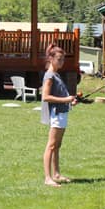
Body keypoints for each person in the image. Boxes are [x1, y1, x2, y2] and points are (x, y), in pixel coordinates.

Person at [41, 45, 78, 187]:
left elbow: (60, 95)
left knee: (57, 145)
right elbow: (45, 97)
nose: (61, 62)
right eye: (59, 59)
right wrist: (66, 100)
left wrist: (70, 101)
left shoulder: (56, 74)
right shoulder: (49, 76)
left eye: (63, 59)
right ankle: (47, 178)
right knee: (51, 146)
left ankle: (56, 174)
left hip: (62, 113)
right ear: (51, 59)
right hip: (56, 114)